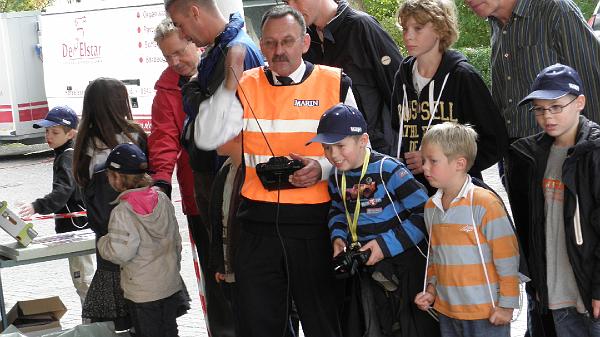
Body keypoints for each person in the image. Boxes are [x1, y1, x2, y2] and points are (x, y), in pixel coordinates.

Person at [190, 5, 360, 336]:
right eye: (269, 43)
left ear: (305, 43)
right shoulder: (244, 83)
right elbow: (206, 137)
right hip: (257, 223)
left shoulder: (334, 83)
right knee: (259, 324)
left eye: (287, 41)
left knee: (324, 321)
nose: (278, 51)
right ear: (261, 44)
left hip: (315, 223)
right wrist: (227, 84)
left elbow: (358, 151)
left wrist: (322, 167)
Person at [163, 3, 263, 333]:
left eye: (179, 24)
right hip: (226, 180)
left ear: (194, 11)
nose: (182, 33)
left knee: (255, 299)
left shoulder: (236, 51)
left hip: (243, 185)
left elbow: (215, 122)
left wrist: (195, 93)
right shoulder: (219, 50)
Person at [306, 103, 438, 337]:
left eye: (340, 145)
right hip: (366, 271)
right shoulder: (337, 175)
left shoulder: (389, 170)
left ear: (363, 140)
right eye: (327, 148)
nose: (333, 155)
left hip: (401, 270)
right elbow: (338, 209)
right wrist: (338, 237)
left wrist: (384, 246)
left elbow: (425, 215)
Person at [505, 63, 600, 337]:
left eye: (556, 106)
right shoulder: (531, 156)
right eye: (539, 109)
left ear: (580, 102)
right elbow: (531, 227)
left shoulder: (594, 153)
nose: (548, 116)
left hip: (590, 294)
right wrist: (537, 285)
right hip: (556, 295)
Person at [415, 122, 522, 337]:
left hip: (487, 312)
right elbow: (435, 257)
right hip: (448, 312)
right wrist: (431, 290)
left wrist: (507, 305)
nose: (424, 167)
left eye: (433, 161)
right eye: (424, 160)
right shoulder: (431, 207)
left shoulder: (484, 203)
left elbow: (508, 257)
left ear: (459, 163)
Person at [391, 0, 507, 195]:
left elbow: (494, 142)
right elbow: (397, 132)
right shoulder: (402, 77)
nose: (408, 36)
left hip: (457, 196)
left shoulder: (463, 76)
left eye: (418, 28)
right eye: (405, 28)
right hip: (411, 195)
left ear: (439, 29)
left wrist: (440, 163)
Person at [464, 0, 600, 140]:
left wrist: (591, 151)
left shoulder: (555, 9)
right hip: (513, 151)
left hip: (561, 152)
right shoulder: (495, 22)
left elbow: (592, 82)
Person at [72, 77, 147, 330]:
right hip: (142, 236)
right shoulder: (134, 135)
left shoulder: (85, 145)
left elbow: (86, 190)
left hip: (108, 241)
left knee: (115, 320)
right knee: (147, 310)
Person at [284, 0, 402, 155]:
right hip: (329, 159)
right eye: (286, 1)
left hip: (379, 158)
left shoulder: (361, 26)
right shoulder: (303, 40)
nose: (292, 7)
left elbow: (401, 93)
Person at [97, 143, 189, 337]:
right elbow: (176, 241)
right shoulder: (162, 199)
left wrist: (103, 242)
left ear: (116, 178)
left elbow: (120, 252)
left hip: (142, 292)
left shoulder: (123, 211)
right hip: (169, 284)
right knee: (170, 332)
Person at [18, 106, 94, 307]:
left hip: (77, 228)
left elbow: (62, 192)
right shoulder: (70, 152)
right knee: (84, 278)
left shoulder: (67, 156)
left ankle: (94, 323)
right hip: (79, 226)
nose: (48, 136)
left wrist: (36, 206)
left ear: (71, 133)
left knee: (84, 280)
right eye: (46, 131)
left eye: (55, 132)